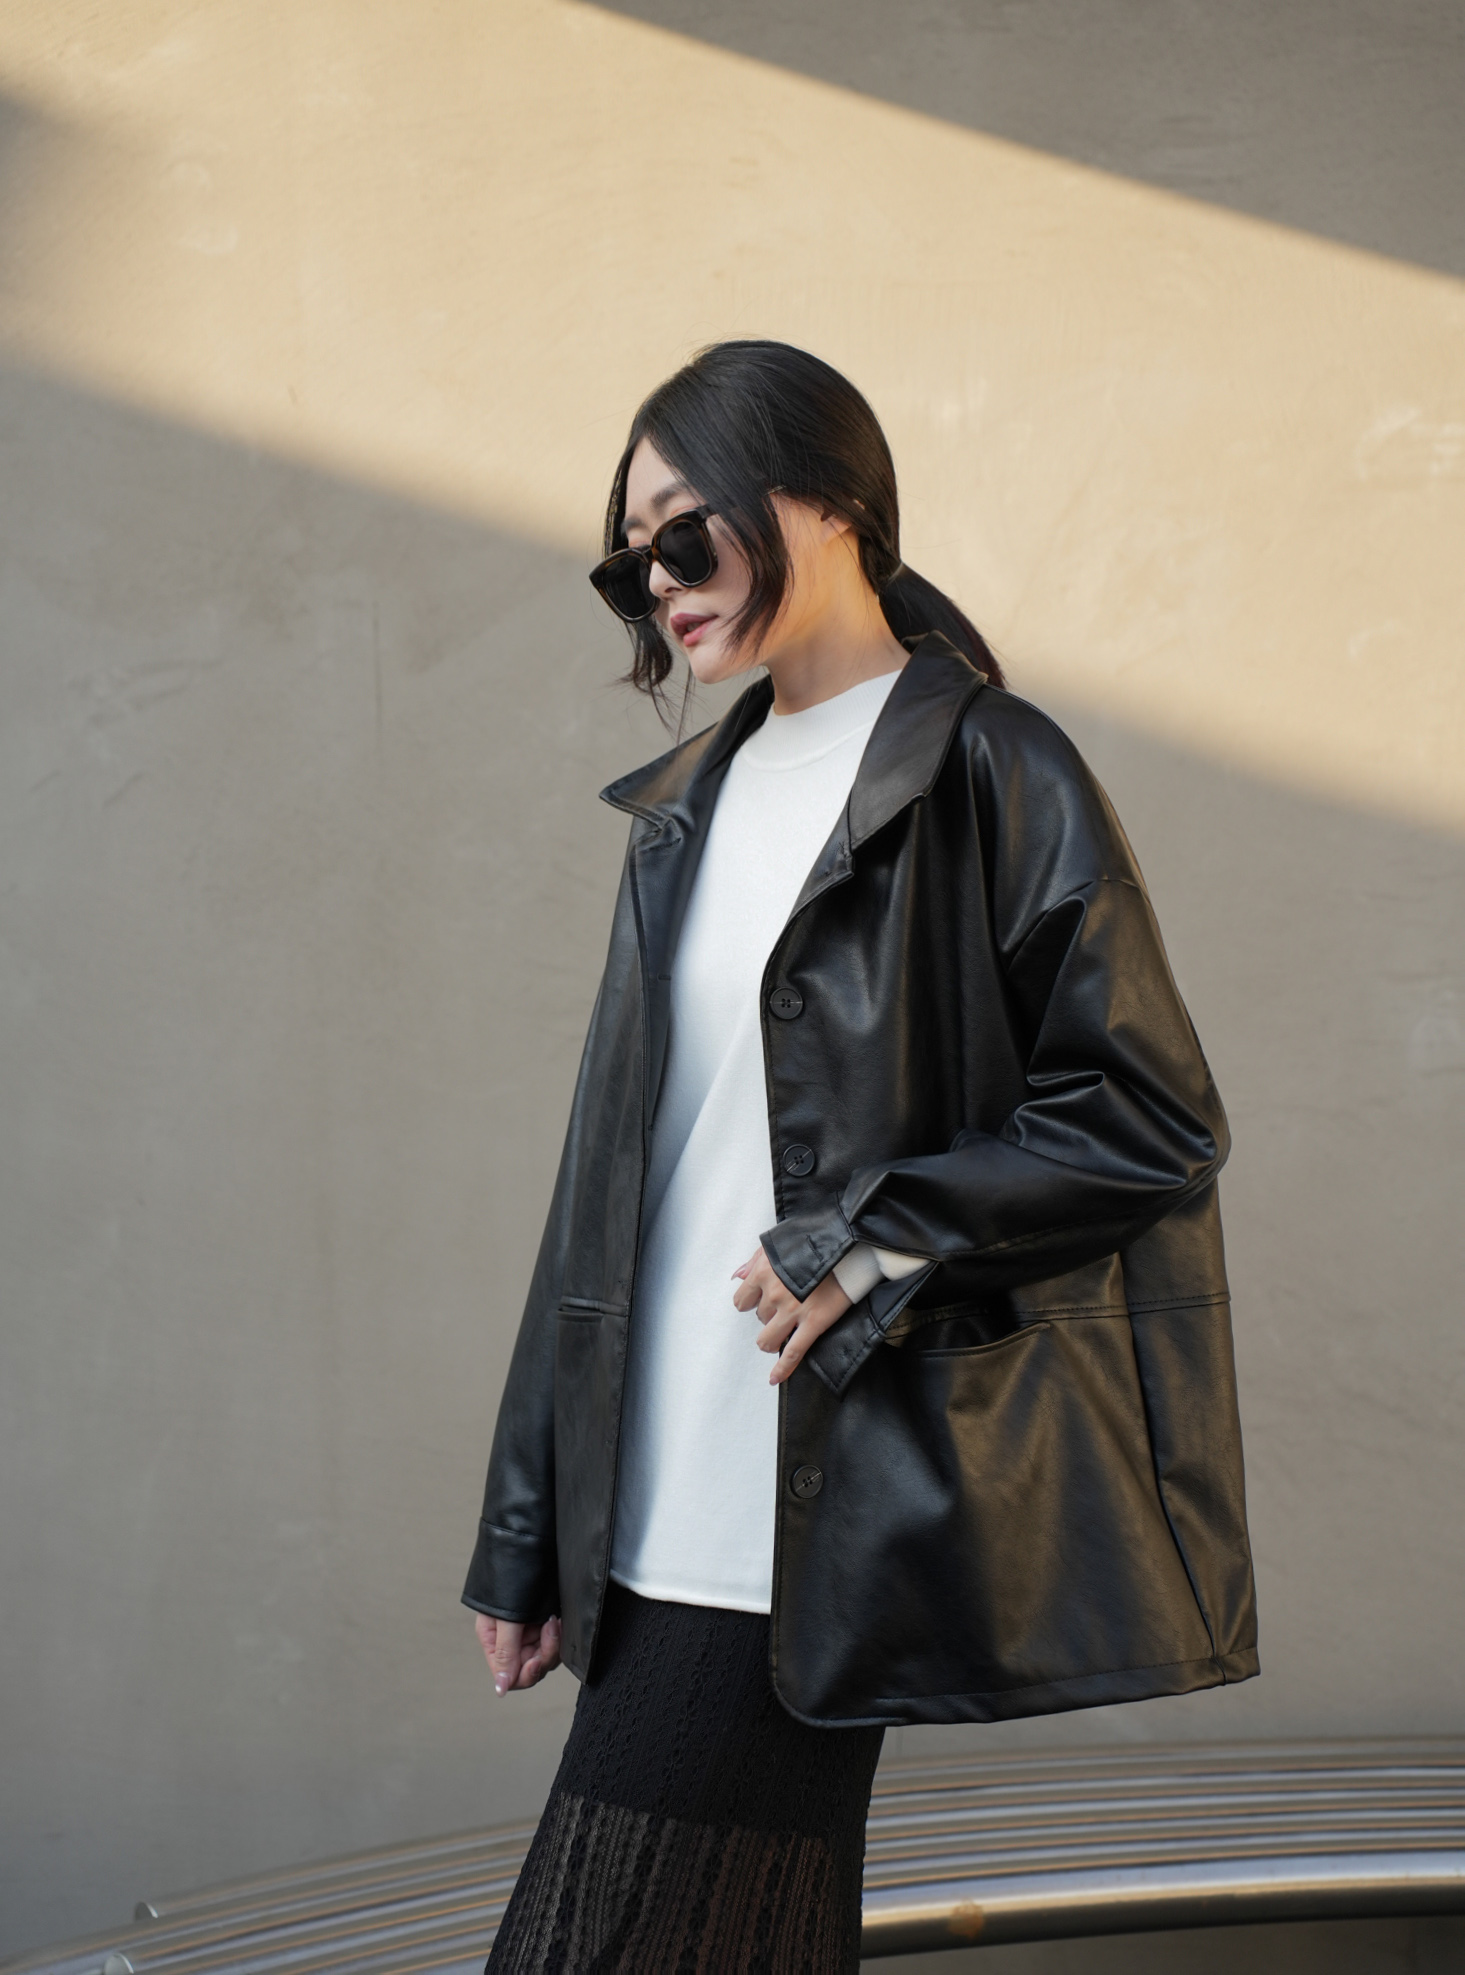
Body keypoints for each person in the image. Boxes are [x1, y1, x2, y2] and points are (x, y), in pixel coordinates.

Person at [463, 340, 1258, 1972]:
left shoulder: (991, 767)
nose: (654, 584)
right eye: (628, 560)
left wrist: (879, 1233)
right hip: (648, 1484)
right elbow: (607, 1190)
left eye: (683, 535)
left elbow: (1149, 1114)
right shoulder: (688, 806)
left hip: (806, 1490)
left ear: (826, 499)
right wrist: (524, 1520)